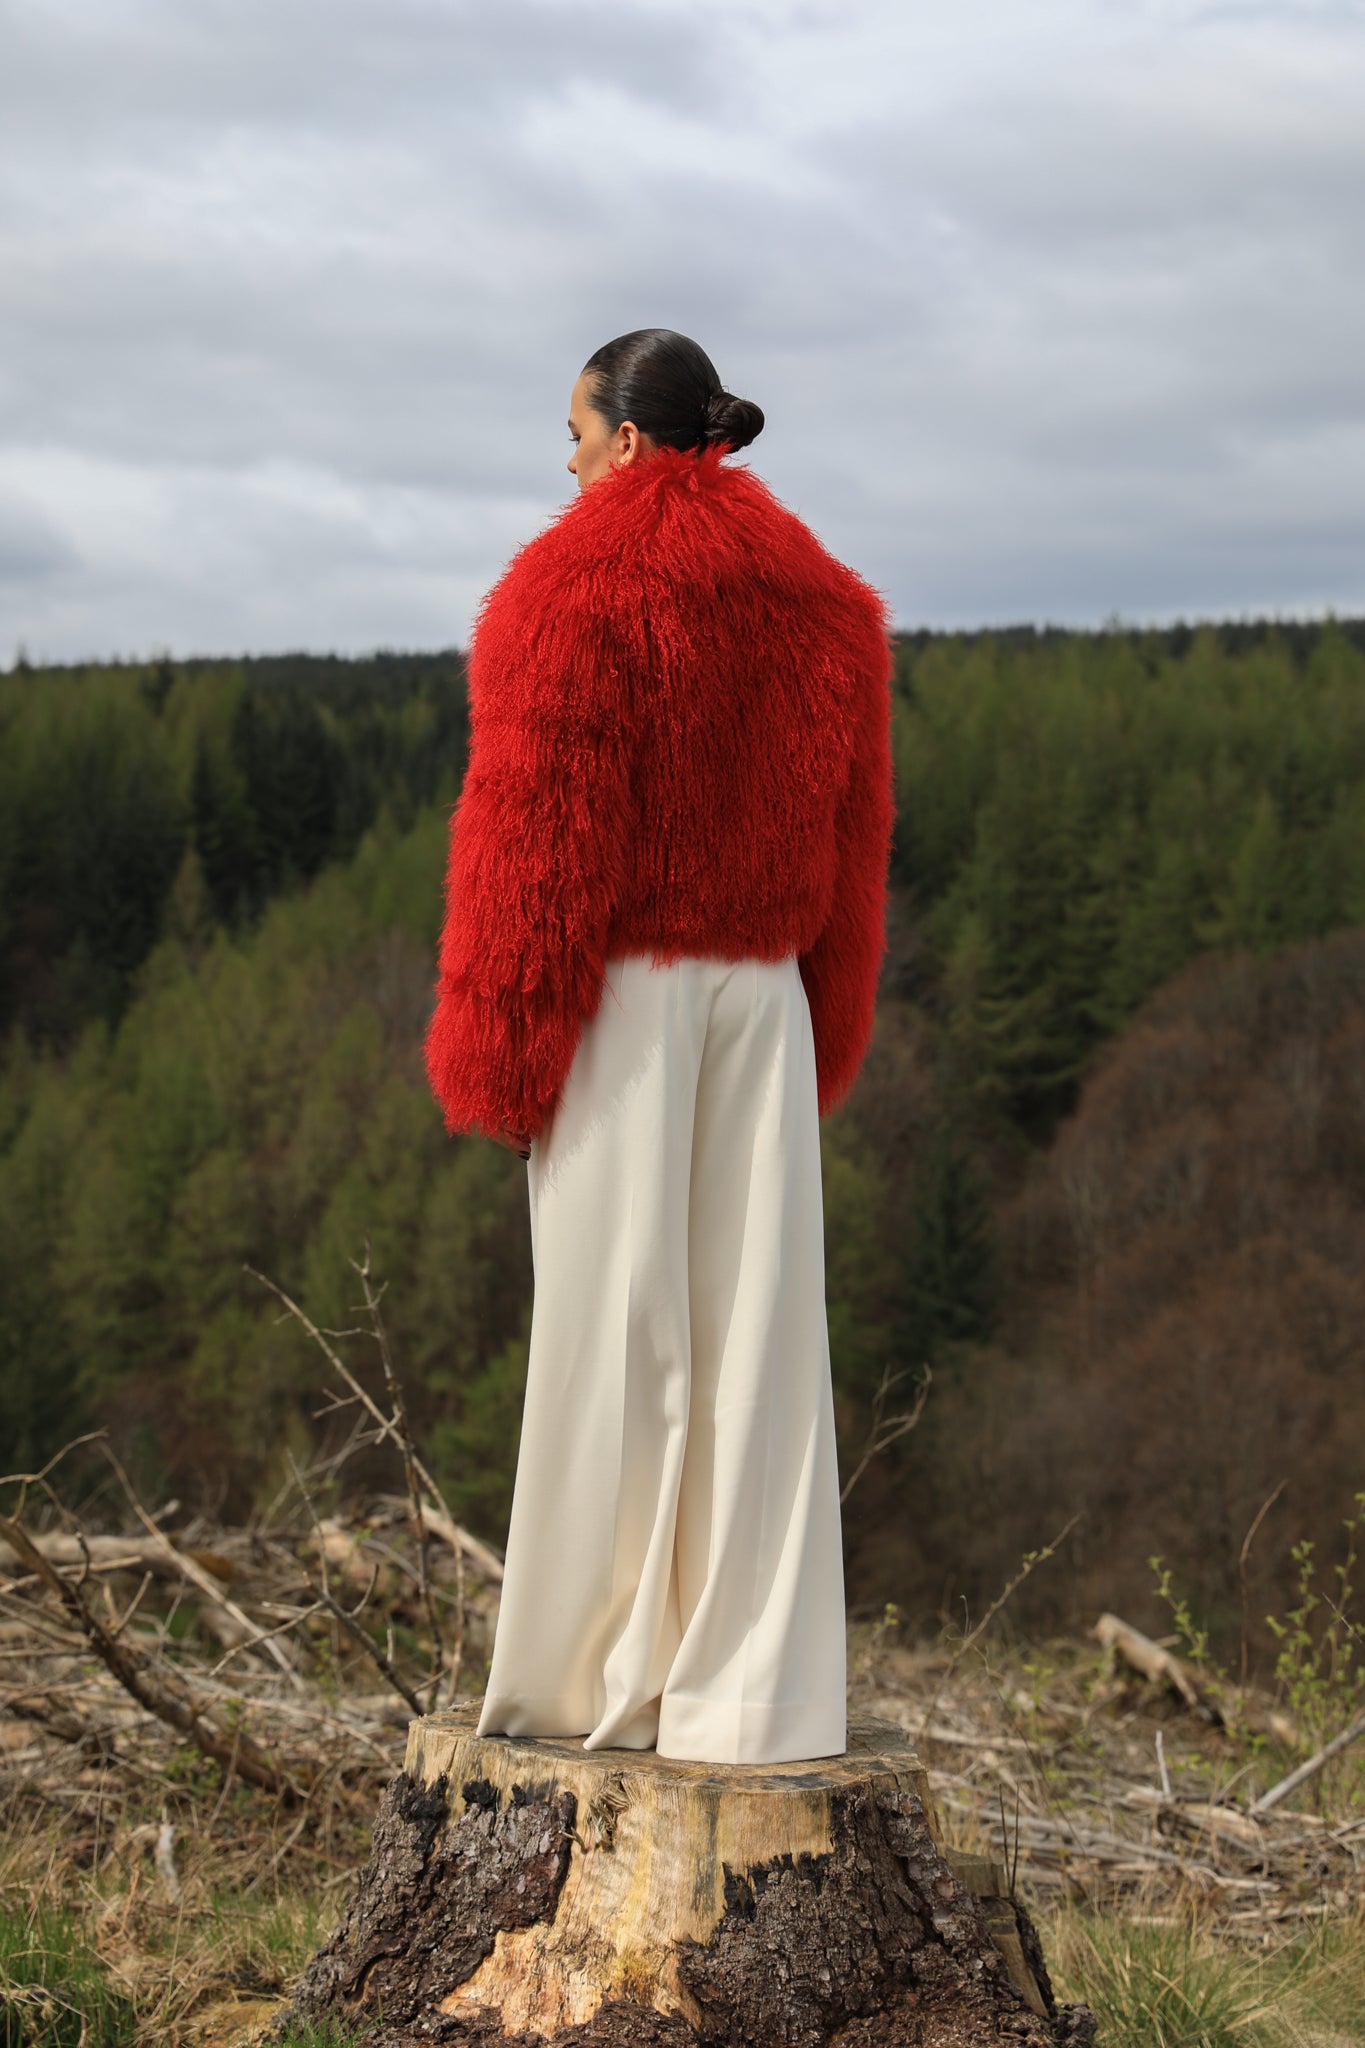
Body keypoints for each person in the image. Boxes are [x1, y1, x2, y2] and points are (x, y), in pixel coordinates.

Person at [424, 328, 895, 1765]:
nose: (562, 457)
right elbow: (852, 847)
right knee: (757, 1346)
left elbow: (531, 846)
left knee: (611, 1341)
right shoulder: (825, 607)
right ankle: (747, 1697)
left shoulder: (562, 594)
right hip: (761, 996)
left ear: (627, 439)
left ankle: (581, 1689)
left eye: (571, 429)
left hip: (621, 1001)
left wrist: (500, 1058)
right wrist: (826, 1029)